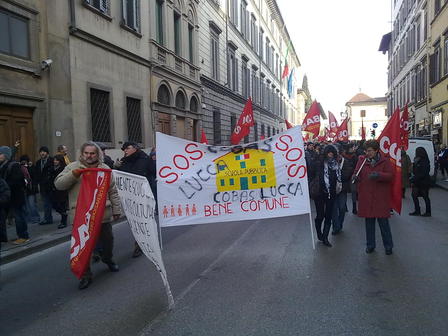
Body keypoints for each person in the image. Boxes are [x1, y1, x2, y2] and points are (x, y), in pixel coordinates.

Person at [55, 141, 121, 290]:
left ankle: (108, 259)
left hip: (102, 214)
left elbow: (113, 191)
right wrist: (73, 175)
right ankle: (85, 275)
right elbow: (58, 185)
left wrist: (117, 209)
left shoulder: (104, 169)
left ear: (97, 154)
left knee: (108, 241)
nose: (89, 156)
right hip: (81, 217)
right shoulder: (72, 167)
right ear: (82, 154)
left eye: (92, 153)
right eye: (87, 153)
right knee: (83, 247)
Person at [353, 140, 394, 255]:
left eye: (370, 150)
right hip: (367, 196)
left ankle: (388, 246)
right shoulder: (362, 161)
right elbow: (356, 172)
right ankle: (370, 245)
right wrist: (355, 177)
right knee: (369, 224)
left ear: (376, 150)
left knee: (383, 224)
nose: (367, 153)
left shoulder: (385, 161)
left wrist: (379, 175)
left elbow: (391, 175)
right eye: (366, 150)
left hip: (380, 198)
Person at [117, 141, 152, 258]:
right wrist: (116, 167)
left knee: (142, 220)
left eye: (127, 148)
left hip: (143, 195)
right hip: (129, 195)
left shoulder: (145, 159)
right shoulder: (124, 161)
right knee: (134, 221)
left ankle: (140, 244)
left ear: (135, 149)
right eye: (124, 149)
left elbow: (150, 175)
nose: (125, 151)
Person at [309, 144, 341, 247]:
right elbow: (310, 174)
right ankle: (319, 233)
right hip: (319, 193)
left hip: (331, 193)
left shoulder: (336, 164)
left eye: (332, 153)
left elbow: (339, 177)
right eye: (329, 153)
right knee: (320, 215)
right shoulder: (318, 163)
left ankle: (325, 237)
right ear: (325, 153)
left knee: (328, 216)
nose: (330, 155)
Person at [0, 146, 29, 244]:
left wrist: (6, 185)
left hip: (16, 196)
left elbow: (18, 181)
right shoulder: (2, 165)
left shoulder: (14, 165)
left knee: (19, 216)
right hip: (8, 197)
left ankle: (23, 236)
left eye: (1, 154)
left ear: (6, 155)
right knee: (8, 217)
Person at [332, 144, 356, 235]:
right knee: (334, 209)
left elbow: (348, 173)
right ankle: (335, 227)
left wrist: (338, 176)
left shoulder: (345, 162)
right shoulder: (328, 162)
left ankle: (340, 224)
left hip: (342, 189)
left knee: (342, 208)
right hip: (332, 190)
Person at [409, 147, 431, 217]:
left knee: (425, 196)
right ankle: (417, 210)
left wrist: (414, 179)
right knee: (414, 195)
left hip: (423, 182)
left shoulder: (425, 161)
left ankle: (428, 212)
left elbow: (424, 173)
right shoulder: (416, 160)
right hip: (417, 182)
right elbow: (415, 171)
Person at [19, 155, 41, 224]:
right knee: (26, 205)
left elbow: (34, 177)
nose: (24, 162)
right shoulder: (20, 168)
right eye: (23, 161)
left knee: (32, 204)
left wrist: (30, 167)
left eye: (25, 161)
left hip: (31, 189)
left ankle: (36, 218)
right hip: (24, 189)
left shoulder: (31, 167)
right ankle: (29, 218)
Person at [35, 146, 54, 225]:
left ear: (47, 153)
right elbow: (37, 174)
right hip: (43, 186)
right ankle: (48, 218)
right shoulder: (38, 162)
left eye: (44, 152)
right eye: (41, 152)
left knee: (56, 203)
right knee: (46, 203)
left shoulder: (52, 160)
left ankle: (63, 217)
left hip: (51, 185)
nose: (42, 153)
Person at [49, 155, 69, 229]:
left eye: (57, 160)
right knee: (55, 205)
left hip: (61, 190)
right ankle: (64, 214)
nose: (55, 161)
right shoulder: (52, 168)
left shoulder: (63, 169)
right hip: (53, 189)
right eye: (54, 160)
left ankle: (63, 221)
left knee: (62, 205)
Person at [0, 176, 11, 244]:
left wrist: (1, 200)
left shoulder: (1, 181)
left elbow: (6, 193)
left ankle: (3, 240)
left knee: (1, 224)